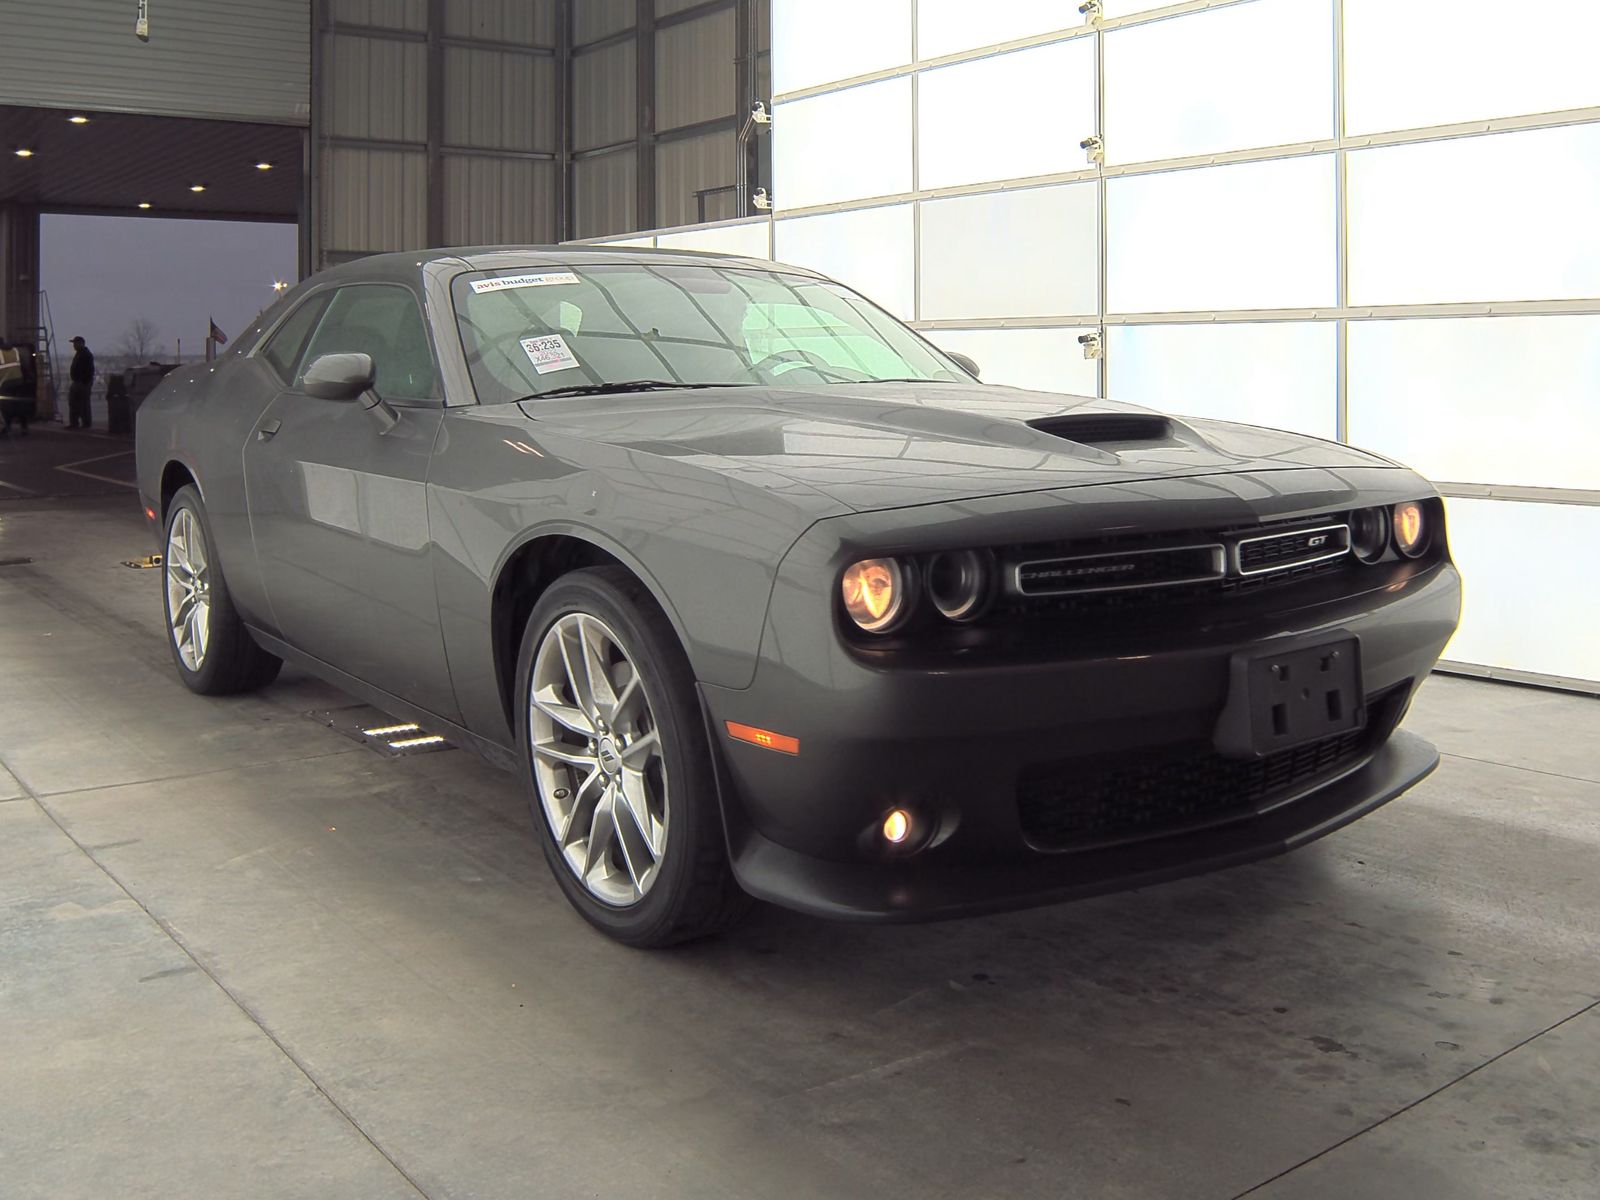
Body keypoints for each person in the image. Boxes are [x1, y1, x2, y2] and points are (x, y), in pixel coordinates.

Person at [68, 335, 95, 429]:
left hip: (82, 383)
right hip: (77, 382)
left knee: (84, 404)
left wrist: (85, 381)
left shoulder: (86, 354)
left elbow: (90, 370)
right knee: (74, 403)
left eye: (75, 343)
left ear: (81, 343)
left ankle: (86, 423)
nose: (74, 345)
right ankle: (74, 423)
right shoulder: (79, 353)